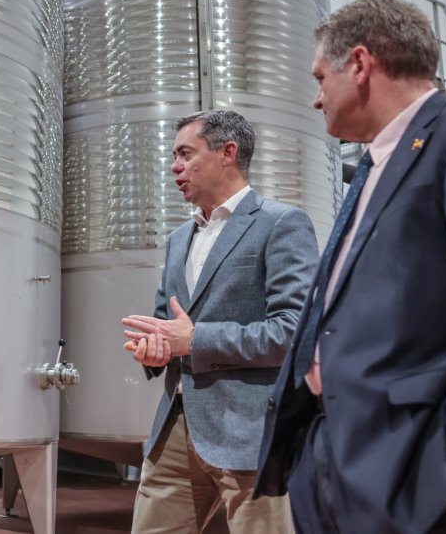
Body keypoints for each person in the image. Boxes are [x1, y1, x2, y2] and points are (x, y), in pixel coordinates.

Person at [256, 0, 446, 534]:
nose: (316, 100)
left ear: (361, 65)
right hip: (333, 464)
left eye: (320, 78)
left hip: (414, 482)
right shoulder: (374, 168)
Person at [121, 109, 318, 534]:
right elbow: (166, 323)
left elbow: (294, 332)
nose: (174, 166)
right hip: (175, 430)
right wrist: (153, 350)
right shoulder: (178, 239)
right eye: (174, 155)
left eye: (185, 153)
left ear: (228, 153)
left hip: (251, 434)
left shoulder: (281, 224)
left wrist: (195, 341)